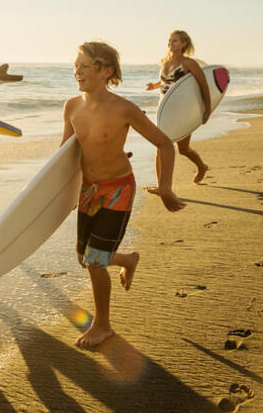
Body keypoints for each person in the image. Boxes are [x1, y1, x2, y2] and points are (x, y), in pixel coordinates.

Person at [63, 41, 185, 347]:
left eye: (84, 66)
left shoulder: (124, 109)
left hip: (118, 189)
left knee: (94, 260)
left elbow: (164, 144)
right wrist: (58, 198)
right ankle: (127, 260)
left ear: (107, 71)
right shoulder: (72, 107)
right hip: (89, 189)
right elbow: (65, 155)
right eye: (75, 66)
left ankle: (102, 326)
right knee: (84, 258)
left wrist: (166, 187)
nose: (77, 71)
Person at [145, 30, 212, 184]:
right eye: (169, 40)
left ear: (184, 44)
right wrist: (154, 86)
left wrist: (207, 109)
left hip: (182, 111)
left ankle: (201, 166)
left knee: (183, 149)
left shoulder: (189, 64)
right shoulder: (164, 62)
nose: (170, 43)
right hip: (164, 110)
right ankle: (161, 186)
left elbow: (203, 85)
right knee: (160, 147)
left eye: (175, 40)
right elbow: (167, 82)